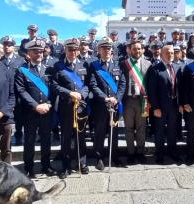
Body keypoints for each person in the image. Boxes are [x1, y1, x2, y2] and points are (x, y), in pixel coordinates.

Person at [15, 40, 56, 178]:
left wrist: (49, 104)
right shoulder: (22, 70)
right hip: (30, 112)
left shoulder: (49, 69)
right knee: (29, 141)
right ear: (29, 53)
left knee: (46, 140)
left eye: (40, 51)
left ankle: (46, 166)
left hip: (47, 110)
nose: (38, 54)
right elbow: (21, 90)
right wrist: (36, 106)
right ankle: (28, 168)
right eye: (35, 51)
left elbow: (53, 90)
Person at [52, 38, 90, 178]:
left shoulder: (84, 65)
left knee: (81, 136)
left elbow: (88, 85)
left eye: (75, 49)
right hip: (66, 107)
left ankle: (82, 164)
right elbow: (55, 86)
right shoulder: (58, 66)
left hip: (81, 107)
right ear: (65, 50)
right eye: (70, 49)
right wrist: (69, 93)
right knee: (66, 138)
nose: (73, 52)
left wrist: (81, 94)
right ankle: (66, 166)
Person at [88, 37, 126, 169]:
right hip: (101, 105)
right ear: (99, 50)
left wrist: (117, 98)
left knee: (113, 132)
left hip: (115, 105)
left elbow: (122, 84)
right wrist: (105, 98)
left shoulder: (118, 65)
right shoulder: (94, 66)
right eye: (104, 48)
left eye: (109, 48)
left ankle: (114, 155)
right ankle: (99, 157)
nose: (107, 50)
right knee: (99, 132)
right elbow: (93, 85)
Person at [146, 44, 182, 164]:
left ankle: (173, 152)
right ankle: (159, 154)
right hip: (160, 107)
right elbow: (151, 90)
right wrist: (155, 107)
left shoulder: (176, 67)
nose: (170, 55)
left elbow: (179, 88)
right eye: (167, 53)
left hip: (174, 106)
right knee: (160, 132)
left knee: (172, 130)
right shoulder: (155, 68)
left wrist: (180, 104)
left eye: (172, 53)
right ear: (161, 54)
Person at [121, 40, 151, 164]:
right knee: (128, 129)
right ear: (130, 50)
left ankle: (140, 152)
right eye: (134, 49)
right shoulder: (123, 64)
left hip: (142, 101)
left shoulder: (148, 64)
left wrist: (150, 101)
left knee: (141, 128)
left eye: (139, 49)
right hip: (128, 100)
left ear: (142, 50)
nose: (137, 51)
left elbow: (150, 83)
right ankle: (130, 153)